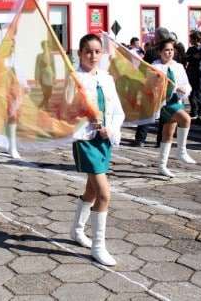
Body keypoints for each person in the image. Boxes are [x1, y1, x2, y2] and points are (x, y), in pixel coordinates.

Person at [69, 34, 124, 266]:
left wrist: (109, 129)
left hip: (104, 139)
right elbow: (62, 110)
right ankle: (98, 247)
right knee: (104, 194)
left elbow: (117, 110)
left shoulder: (107, 78)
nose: (92, 56)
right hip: (84, 139)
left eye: (97, 51)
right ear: (80, 53)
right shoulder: (74, 79)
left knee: (91, 191)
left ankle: (77, 230)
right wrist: (83, 113)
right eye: (88, 51)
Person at [153, 39, 195, 177]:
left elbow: (186, 84)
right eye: (166, 50)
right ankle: (181, 151)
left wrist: (184, 90)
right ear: (160, 52)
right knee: (186, 119)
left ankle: (161, 165)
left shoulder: (178, 66)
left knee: (168, 134)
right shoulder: (155, 67)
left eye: (171, 50)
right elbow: (150, 86)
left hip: (177, 100)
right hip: (164, 103)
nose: (169, 53)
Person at [132, 27, 171, 147]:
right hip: (163, 86)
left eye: (155, 35)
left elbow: (143, 68)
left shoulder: (152, 51)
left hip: (155, 85)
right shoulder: (172, 50)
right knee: (162, 113)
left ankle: (140, 139)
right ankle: (160, 140)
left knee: (148, 112)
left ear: (159, 37)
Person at [185, 31, 201, 122]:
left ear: (196, 39)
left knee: (199, 93)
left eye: (191, 38)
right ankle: (193, 111)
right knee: (191, 93)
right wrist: (193, 57)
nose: (190, 40)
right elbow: (186, 58)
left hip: (200, 73)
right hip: (191, 72)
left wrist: (192, 57)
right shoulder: (191, 49)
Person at [35, 40, 56, 109]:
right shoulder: (39, 56)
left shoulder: (51, 55)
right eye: (44, 46)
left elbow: (53, 67)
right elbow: (37, 67)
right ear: (42, 47)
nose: (45, 47)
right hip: (43, 76)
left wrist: (54, 77)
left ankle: (41, 105)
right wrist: (37, 78)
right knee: (45, 92)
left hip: (50, 75)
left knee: (49, 92)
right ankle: (47, 107)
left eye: (46, 46)